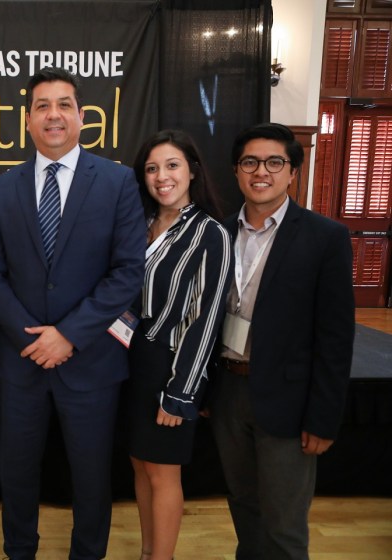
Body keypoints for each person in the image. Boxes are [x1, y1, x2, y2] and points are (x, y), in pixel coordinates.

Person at [0, 66, 146, 560]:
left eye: (63, 105)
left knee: (92, 477)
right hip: (23, 361)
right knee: (17, 472)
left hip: (91, 361)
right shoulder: (2, 188)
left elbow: (127, 271)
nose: (54, 115)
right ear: (27, 120)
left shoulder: (117, 182)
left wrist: (68, 335)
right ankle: (19, 552)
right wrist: (35, 337)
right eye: (42, 106)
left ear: (82, 115)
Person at [210, 123, 355, 560]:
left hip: (288, 401)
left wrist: (324, 418)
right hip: (227, 391)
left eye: (275, 163)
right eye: (250, 162)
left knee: (284, 526)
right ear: (236, 171)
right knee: (244, 508)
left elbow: (335, 337)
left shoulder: (324, 238)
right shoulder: (216, 233)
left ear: (292, 172)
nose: (262, 172)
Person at [128, 130, 232, 560]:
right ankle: (148, 552)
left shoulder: (211, 233)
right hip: (129, 361)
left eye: (171, 166)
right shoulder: (141, 224)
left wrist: (180, 393)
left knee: (163, 472)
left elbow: (205, 320)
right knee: (140, 463)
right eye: (152, 168)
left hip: (170, 367)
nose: (161, 176)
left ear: (192, 171)